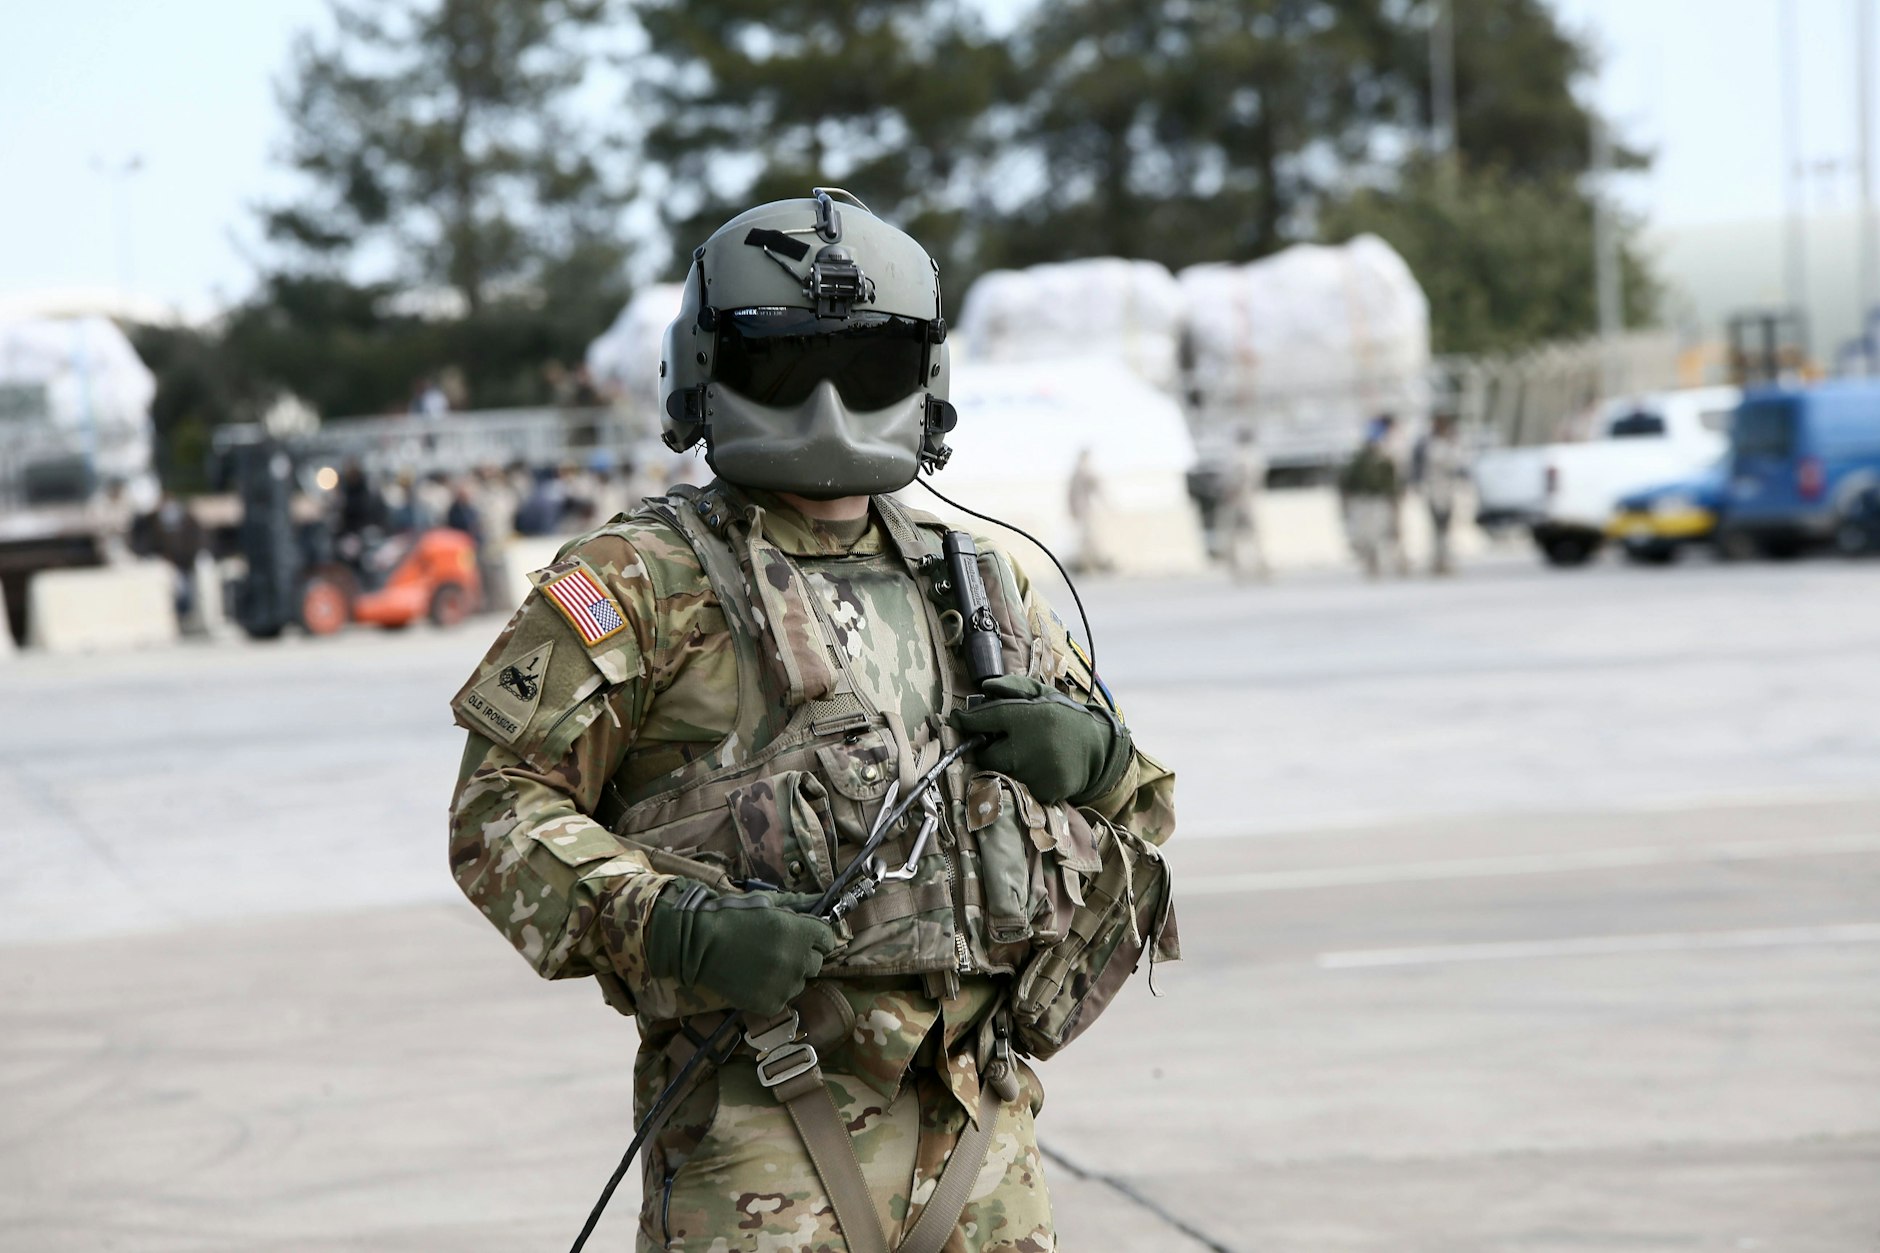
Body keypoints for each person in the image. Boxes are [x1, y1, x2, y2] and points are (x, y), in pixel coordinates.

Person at [447, 193, 1177, 1253]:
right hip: (757, 1136)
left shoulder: (982, 584)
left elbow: (1145, 811)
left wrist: (1101, 761)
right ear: (706, 369)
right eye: (788, 365)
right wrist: (672, 924)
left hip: (982, 1134)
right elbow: (496, 814)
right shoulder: (639, 582)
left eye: (865, 365)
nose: (828, 402)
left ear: (921, 378)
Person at [1339, 416, 1402, 579]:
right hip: (1362, 501)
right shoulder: (1358, 461)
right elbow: (1347, 483)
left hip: (1378, 501)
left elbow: (1391, 483)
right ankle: (1369, 562)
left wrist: (1393, 500)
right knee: (1363, 535)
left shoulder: (1385, 460)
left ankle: (1378, 562)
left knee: (1379, 532)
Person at [1412, 412, 1468, 575]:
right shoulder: (1427, 443)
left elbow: (1460, 465)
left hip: (1449, 489)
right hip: (1433, 488)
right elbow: (1419, 466)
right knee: (1436, 526)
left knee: (1447, 526)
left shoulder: (1452, 442)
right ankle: (1437, 560)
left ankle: (1445, 559)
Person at [1222, 425, 1270, 581]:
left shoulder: (1241, 456)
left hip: (1242, 500)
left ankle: (1248, 568)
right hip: (1249, 499)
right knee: (1250, 536)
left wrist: (1235, 492)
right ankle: (1256, 567)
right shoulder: (1253, 455)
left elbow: (1240, 479)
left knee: (1240, 536)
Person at [1066, 446, 1113, 573]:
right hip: (1084, 511)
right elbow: (1098, 487)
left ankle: (1090, 565)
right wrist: (1108, 503)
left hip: (1081, 511)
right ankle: (1089, 566)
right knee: (1087, 539)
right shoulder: (1083, 471)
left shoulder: (1076, 472)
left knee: (1086, 539)